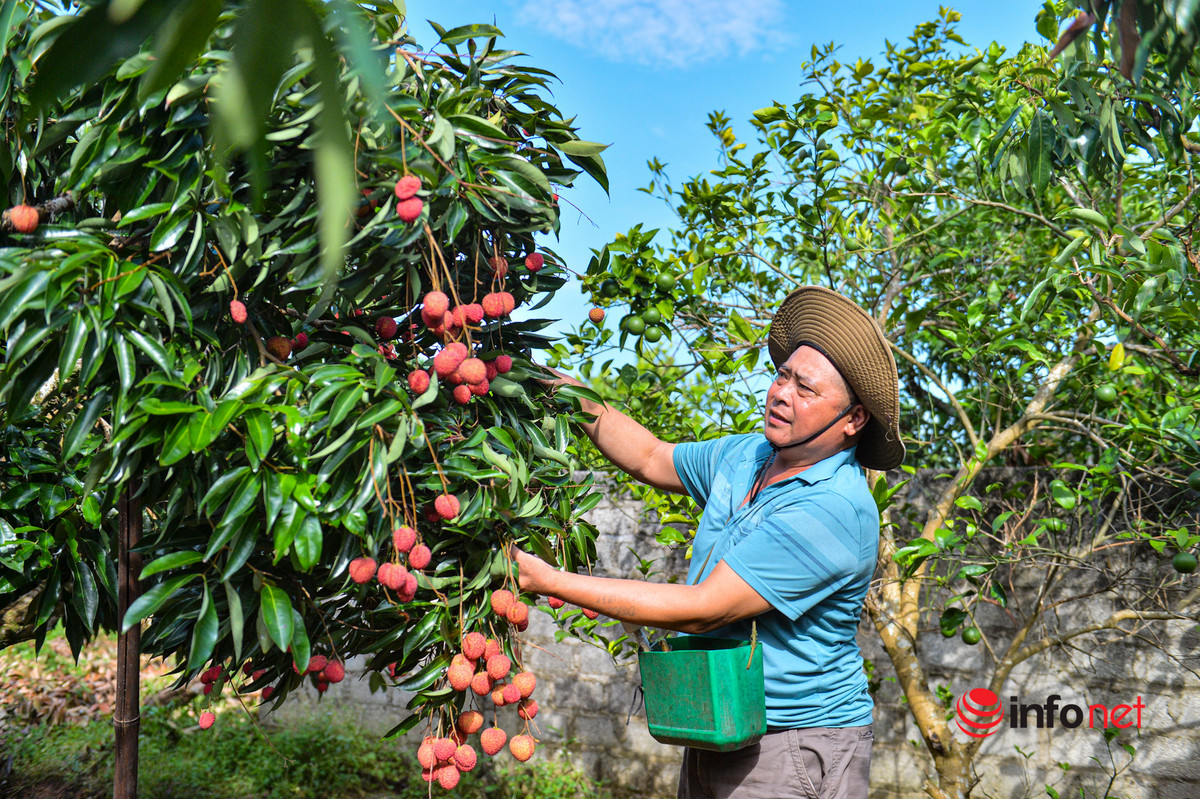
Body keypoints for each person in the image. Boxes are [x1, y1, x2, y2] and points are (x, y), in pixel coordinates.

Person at [516, 285, 905, 799]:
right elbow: (652, 457)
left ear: (854, 420)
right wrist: (578, 400)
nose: (781, 393)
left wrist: (548, 580)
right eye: (781, 375)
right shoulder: (748, 455)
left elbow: (704, 609)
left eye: (805, 389)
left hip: (794, 745)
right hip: (722, 724)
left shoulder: (833, 508)